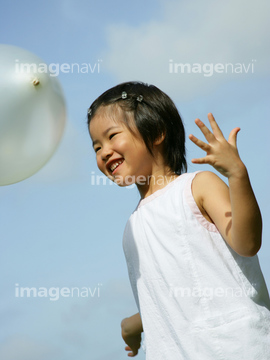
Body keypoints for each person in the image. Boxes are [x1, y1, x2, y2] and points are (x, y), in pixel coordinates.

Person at [87, 81, 270, 359]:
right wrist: (133, 324)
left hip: (236, 347)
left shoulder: (197, 186)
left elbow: (247, 243)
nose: (103, 152)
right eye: (96, 146)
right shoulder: (132, 228)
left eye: (112, 136)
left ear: (157, 132)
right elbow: (167, 296)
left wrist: (236, 175)